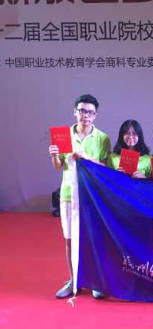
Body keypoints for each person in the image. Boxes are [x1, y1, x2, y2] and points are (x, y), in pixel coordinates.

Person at [48, 94, 111, 299]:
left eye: (90, 112)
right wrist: (54, 155)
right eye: (82, 111)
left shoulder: (103, 138)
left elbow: (105, 169)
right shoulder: (63, 135)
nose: (86, 115)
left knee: (93, 238)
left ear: (95, 115)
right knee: (69, 239)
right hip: (68, 193)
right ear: (75, 111)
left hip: (91, 196)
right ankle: (73, 279)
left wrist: (87, 158)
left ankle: (95, 281)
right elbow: (59, 166)